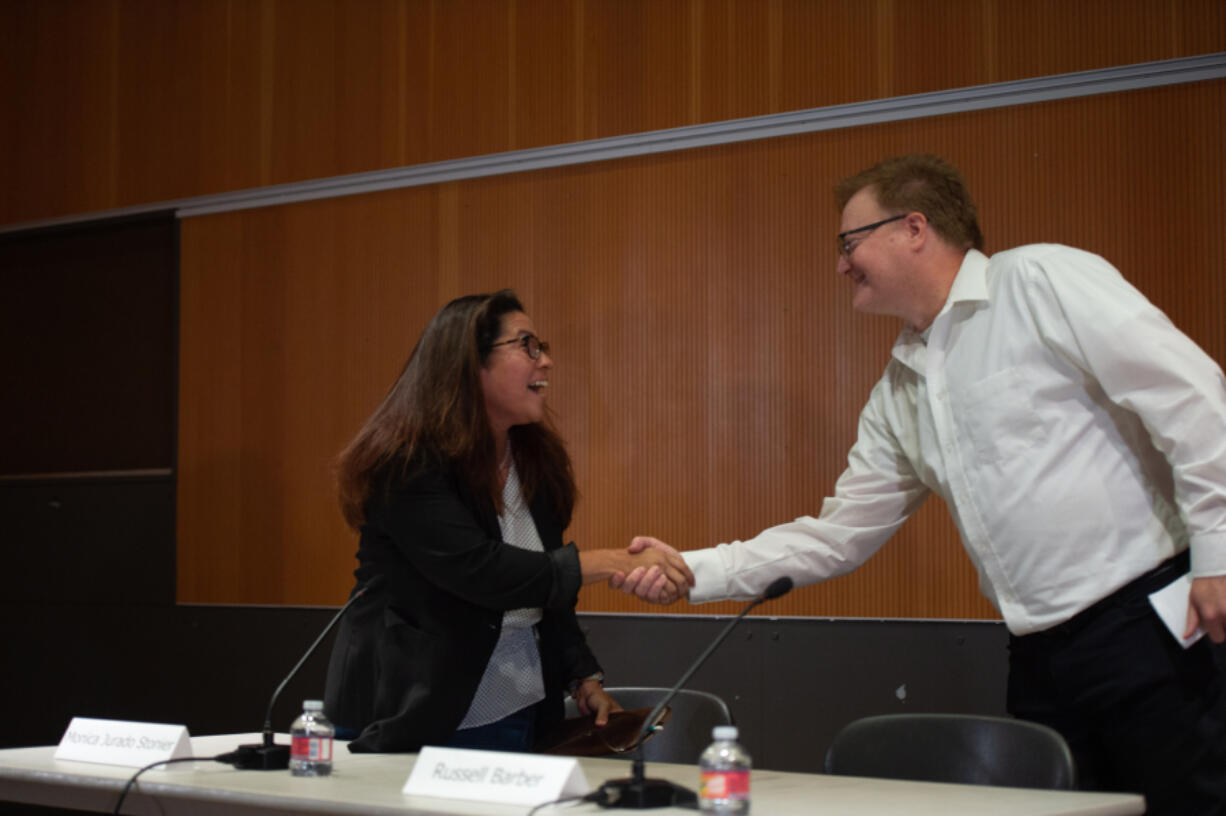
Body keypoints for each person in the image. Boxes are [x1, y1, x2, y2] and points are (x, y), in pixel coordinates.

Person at [616, 155, 1226, 813]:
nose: (841, 264)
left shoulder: (1039, 279)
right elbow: (838, 535)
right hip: (1038, 658)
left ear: (914, 227)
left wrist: (1219, 553)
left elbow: (1191, 399)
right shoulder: (898, 389)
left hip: (1150, 627)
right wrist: (691, 570)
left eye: (850, 242)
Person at [323, 289, 693, 753]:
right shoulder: (407, 464)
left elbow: (543, 588)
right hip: (413, 714)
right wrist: (613, 561)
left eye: (544, 348)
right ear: (468, 362)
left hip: (516, 709)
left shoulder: (533, 460)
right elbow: (483, 571)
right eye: (527, 346)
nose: (546, 363)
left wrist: (582, 677)